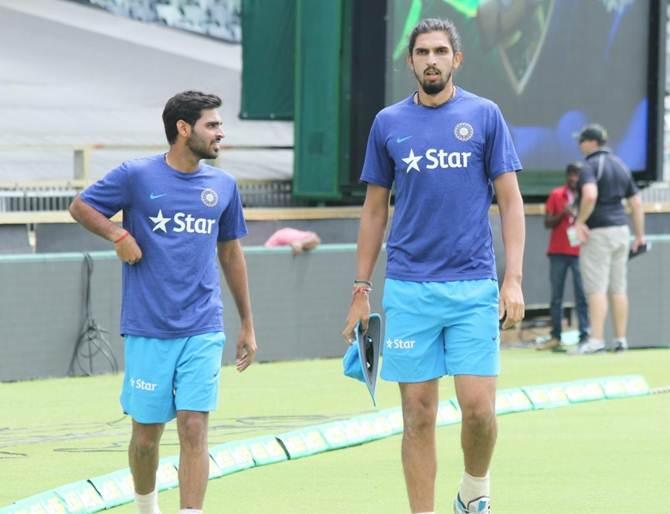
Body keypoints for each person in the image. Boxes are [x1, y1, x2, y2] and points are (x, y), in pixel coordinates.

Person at [341, 18, 525, 514]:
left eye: (441, 51)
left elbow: (510, 201)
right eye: (422, 52)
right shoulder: (388, 123)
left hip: (473, 287)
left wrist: (513, 278)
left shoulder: (485, 116)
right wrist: (361, 289)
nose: (431, 60)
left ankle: (474, 491)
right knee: (417, 416)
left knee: (480, 411)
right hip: (408, 288)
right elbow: (375, 210)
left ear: (456, 59)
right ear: (411, 61)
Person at [69, 90, 257, 514]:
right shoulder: (136, 175)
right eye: (212, 125)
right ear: (183, 129)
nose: (221, 134)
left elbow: (230, 252)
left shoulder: (223, 186)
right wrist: (119, 236)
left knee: (194, 428)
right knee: (146, 438)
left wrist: (247, 323)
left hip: (204, 325)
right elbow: (81, 207)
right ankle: (146, 507)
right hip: (148, 328)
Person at [572, 123, 645, 354]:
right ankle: (621, 340)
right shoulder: (621, 165)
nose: (579, 145)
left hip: (599, 233)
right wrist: (640, 235)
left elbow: (590, 195)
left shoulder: (589, 165)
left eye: (582, 140)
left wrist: (579, 221)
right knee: (618, 288)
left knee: (596, 288)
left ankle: (596, 340)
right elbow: (636, 203)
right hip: (622, 231)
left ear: (592, 142)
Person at [537, 163, 590, 351]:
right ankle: (556, 335)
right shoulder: (556, 195)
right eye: (572, 175)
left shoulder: (587, 196)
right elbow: (547, 222)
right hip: (558, 251)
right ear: (567, 176)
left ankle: (585, 334)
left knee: (582, 296)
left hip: (580, 252)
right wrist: (563, 213)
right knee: (557, 297)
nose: (575, 178)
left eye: (578, 175)